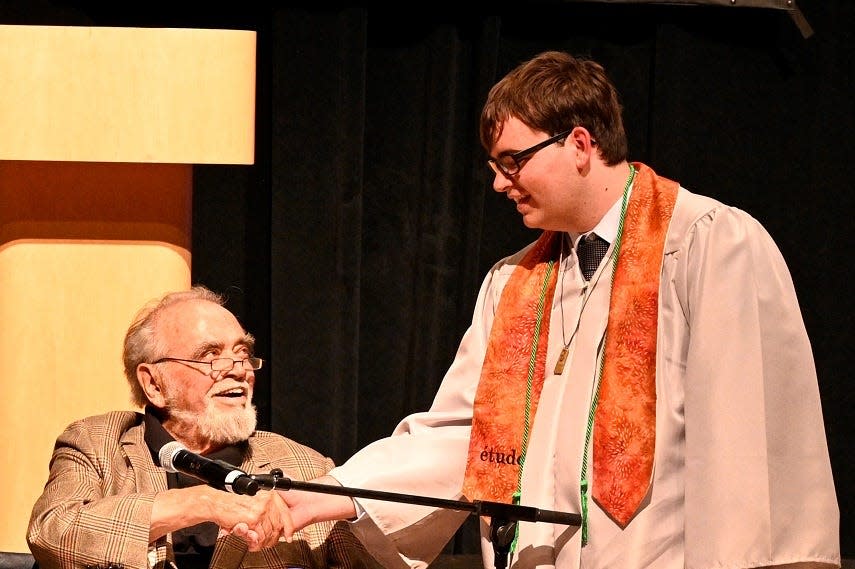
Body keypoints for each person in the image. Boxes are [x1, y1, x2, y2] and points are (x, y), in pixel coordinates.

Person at [275, 51, 841, 569]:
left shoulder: (704, 245)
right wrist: (337, 492)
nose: (498, 183)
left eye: (513, 160)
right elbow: (465, 436)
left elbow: (746, 452)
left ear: (579, 143)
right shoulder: (515, 280)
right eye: (494, 165)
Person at [27, 286, 380, 569]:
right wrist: (201, 502)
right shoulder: (97, 444)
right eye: (210, 355)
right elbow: (52, 532)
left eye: (243, 353)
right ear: (154, 384)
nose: (239, 369)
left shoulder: (307, 468)